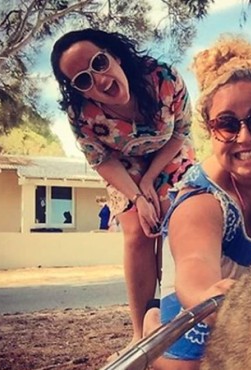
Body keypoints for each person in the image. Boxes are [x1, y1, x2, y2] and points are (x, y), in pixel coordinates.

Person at [142, 34, 251, 370]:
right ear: (211, 133)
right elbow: (195, 268)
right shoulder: (200, 199)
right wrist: (211, 298)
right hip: (215, 270)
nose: (245, 137)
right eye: (226, 125)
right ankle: (153, 324)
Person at [50, 28, 196, 360]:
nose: (99, 80)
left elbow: (182, 132)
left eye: (99, 62)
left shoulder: (163, 77)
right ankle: (140, 334)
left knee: (174, 217)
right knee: (137, 229)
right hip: (122, 165)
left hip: (168, 154)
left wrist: (152, 183)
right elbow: (101, 159)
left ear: (115, 55)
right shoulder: (81, 115)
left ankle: (176, 322)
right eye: (83, 80)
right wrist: (139, 196)